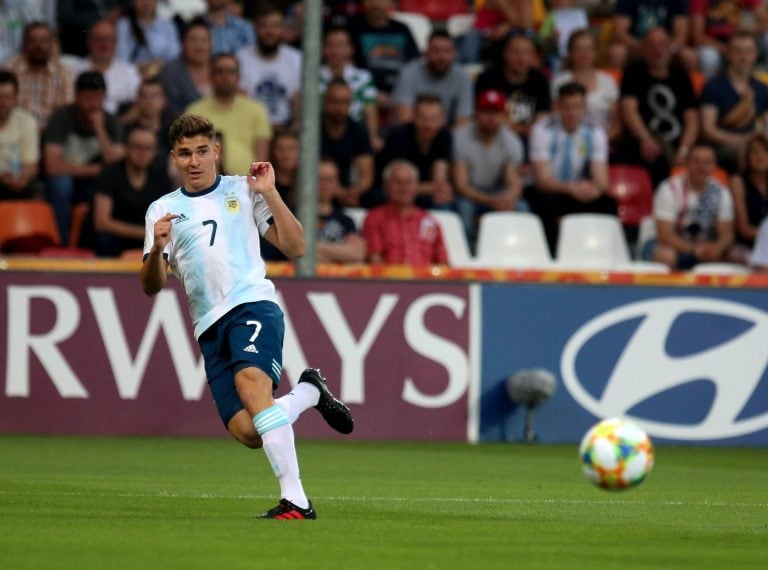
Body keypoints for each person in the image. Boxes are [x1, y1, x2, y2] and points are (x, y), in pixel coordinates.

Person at [140, 113, 354, 520]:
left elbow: (295, 247)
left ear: (216, 151)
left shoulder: (244, 190)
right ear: (174, 158)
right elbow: (152, 285)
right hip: (209, 327)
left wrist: (271, 193)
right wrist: (156, 250)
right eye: (185, 154)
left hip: (253, 305)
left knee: (251, 386)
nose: (195, 161)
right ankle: (309, 393)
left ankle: (297, 502)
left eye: (202, 151)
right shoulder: (162, 211)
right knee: (248, 430)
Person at [528, 81, 617, 251]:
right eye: (567, 107)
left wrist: (593, 190)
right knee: (545, 204)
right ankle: (551, 255)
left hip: (578, 190)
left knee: (607, 204)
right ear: (557, 107)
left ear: (585, 107)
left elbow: (602, 180)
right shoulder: (542, 130)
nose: (572, 112)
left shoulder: (595, 132)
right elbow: (543, 182)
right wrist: (571, 188)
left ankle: (602, 252)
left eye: (577, 107)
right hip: (552, 191)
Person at [43, 71, 125, 245]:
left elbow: (115, 164)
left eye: (98, 98)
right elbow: (52, 167)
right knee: (61, 184)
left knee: (109, 190)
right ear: (76, 96)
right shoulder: (62, 117)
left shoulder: (110, 121)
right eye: (87, 98)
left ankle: (99, 250)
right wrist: (96, 170)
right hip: (68, 181)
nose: (93, 104)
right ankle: (61, 244)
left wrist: (100, 129)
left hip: (94, 184)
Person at [619, 27, 698, 187]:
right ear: (642, 48)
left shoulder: (681, 75)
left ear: (670, 47)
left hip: (677, 145)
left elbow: (692, 119)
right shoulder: (634, 72)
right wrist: (645, 139)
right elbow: (629, 109)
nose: (657, 50)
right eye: (651, 45)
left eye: (662, 44)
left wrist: (683, 151)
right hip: (645, 142)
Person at [452, 89, 525, 246]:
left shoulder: (511, 141)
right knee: (464, 208)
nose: (491, 118)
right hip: (470, 194)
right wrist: (489, 200)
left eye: (496, 113)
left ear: (504, 116)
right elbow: (461, 185)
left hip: (497, 192)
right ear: (476, 113)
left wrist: (509, 197)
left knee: (522, 207)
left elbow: (513, 180)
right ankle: (468, 256)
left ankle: (518, 251)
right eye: (486, 112)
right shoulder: (461, 137)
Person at [84, 125, 172, 255]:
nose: (142, 153)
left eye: (148, 148)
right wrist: (143, 232)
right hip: (113, 239)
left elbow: (166, 219)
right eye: (137, 147)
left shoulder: (160, 177)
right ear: (126, 148)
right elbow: (101, 223)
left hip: (145, 239)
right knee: (104, 239)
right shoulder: (109, 174)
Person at [648, 144, 735, 270]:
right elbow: (665, 236)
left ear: (714, 166)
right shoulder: (669, 188)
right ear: (687, 163)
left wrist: (717, 248)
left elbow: (727, 235)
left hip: (706, 248)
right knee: (666, 255)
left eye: (707, 162)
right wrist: (695, 250)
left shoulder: (722, 192)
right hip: (671, 246)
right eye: (696, 161)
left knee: (739, 255)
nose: (701, 167)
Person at [186, 52, 271, 175]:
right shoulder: (194, 112)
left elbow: (262, 159)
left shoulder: (257, 110)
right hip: (204, 185)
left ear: (239, 77)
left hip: (246, 185)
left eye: (230, 71)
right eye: (219, 71)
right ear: (210, 76)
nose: (225, 77)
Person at [700, 31, 768, 174]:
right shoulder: (713, 86)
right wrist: (742, 140)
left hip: (752, 147)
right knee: (747, 153)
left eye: (748, 52)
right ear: (728, 53)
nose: (743, 57)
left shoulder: (762, 89)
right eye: (738, 51)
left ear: (755, 54)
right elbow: (708, 130)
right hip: (720, 149)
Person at [474, 32, 551, 157]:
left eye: (526, 53)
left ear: (533, 57)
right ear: (505, 54)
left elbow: (543, 118)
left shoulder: (540, 81)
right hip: (494, 136)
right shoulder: (487, 78)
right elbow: (481, 116)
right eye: (515, 52)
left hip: (530, 139)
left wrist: (521, 130)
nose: (521, 58)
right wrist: (516, 130)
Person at [377, 94, 454, 210]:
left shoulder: (444, 136)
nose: (428, 125)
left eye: (433, 119)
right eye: (423, 118)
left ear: (442, 120)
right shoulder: (398, 135)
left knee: (442, 199)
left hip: (420, 192)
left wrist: (439, 189)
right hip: (390, 191)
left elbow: (439, 180)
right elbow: (398, 184)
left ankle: (433, 228)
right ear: (413, 117)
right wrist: (432, 188)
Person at [363, 159, 447, 265]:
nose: (403, 187)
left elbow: (442, 261)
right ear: (386, 187)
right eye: (397, 182)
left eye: (408, 182)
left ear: (416, 186)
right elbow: (375, 260)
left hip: (426, 279)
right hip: (389, 279)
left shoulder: (429, 220)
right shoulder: (375, 218)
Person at [237, 4, 302, 129]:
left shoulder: (297, 60)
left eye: (275, 26)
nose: (269, 32)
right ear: (254, 28)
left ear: (283, 28)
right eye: (263, 26)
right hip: (251, 128)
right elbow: (241, 104)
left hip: (287, 130)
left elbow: (299, 105)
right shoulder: (240, 59)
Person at [391, 30, 474, 128]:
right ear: (426, 53)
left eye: (447, 51)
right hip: (411, 137)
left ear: (454, 54)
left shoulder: (462, 76)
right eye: (436, 50)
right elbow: (404, 120)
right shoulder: (409, 72)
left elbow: (463, 123)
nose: (441, 56)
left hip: (447, 137)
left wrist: (445, 141)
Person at [319, 26, 380, 150]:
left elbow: (370, 111)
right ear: (323, 49)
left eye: (341, 45)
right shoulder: (313, 78)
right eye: (331, 45)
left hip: (354, 134)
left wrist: (371, 138)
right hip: (321, 133)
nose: (336, 51)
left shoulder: (363, 78)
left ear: (350, 49)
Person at [4, 21, 73, 129]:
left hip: (51, 132)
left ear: (51, 44)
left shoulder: (63, 72)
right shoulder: (9, 69)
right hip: (17, 130)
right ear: (24, 44)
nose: (38, 46)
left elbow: (67, 109)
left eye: (44, 41)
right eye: (33, 40)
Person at [552, 29, 619, 140]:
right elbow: (555, 118)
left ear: (596, 52)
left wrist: (599, 142)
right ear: (570, 53)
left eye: (589, 49)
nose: (584, 54)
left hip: (603, 141)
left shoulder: (608, 81)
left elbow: (616, 124)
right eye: (579, 49)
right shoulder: (559, 81)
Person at [347, 0, 420, 103]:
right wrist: (370, 92)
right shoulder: (353, 30)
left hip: (402, 95)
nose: (375, 3)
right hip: (362, 93)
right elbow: (349, 68)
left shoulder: (403, 30)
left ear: (391, 3)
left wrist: (400, 94)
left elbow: (414, 65)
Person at [320, 77, 374, 207]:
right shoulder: (312, 129)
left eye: (344, 102)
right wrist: (339, 193)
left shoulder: (358, 130)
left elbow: (366, 176)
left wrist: (353, 192)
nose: (339, 107)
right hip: (318, 187)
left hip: (349, 191)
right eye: (334, 102)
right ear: (325, 102)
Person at [74, 19, 143, 116]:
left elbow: (138, 105)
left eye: (108, 40)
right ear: (89, 42)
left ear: (116, 43)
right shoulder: (74, 70)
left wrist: (117, 126)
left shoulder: (129, 72)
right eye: (99, 39)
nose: (104, 45)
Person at [158, 16, 212, 119]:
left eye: (204, 40)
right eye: (193, 40)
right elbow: (171, 110)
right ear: (182, 44)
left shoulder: (220, 67)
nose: (198, 45)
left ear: (211, 44)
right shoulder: (171, 72)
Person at [316, 159, 366, 264]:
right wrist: (340, 255)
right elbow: (294, 254)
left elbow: (358, 253)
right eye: (320, 179)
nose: (325, 185)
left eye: (330, 179)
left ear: (337, 183)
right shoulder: (294, 216)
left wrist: (316, 248)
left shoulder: (346, 220)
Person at [0, 69, 40, 201]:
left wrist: (22, 177)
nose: (3, 104)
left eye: (8, 97)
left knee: (31, 189)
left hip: (16, 182)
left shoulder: (27, 121)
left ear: (16, 98)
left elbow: (31, 166)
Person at [116, 0, 181, 78]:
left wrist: (156, 66)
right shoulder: (123, 26)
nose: (145, 2)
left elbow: (174, 57)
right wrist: (140, 67)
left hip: (164, 76)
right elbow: (121, 59)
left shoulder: (168, 26)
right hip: (132, 76)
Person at [728, 134, 768, 260]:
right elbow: (744, 229)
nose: (760, 156)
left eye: (765, 151)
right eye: (754, 152)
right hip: (746, 245)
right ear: (747, 157)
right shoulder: (738, 181)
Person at [612, 0, 689, 59]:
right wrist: (640, 47)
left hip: (667, 48)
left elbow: (681, 35)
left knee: (688, 56)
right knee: (617, 52)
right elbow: (620, 33)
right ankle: (614, 80)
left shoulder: (678, 1)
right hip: (635, 46)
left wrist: (671, 49)